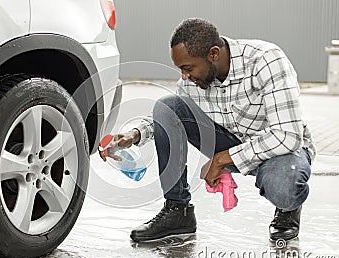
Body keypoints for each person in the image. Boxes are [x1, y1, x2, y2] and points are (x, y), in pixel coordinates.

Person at [100, 18, 315, 242]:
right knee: (167, 106)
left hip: (281, 150)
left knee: (284, 188)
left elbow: (287, 136)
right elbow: (171, 117)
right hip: (233, 140)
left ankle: (288, 209)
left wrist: (221, 159)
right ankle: (177, 212)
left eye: (188, 68)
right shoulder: (194, 80)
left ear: (213, 54)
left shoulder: (266, 60)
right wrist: (135, 134)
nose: (184, 76)